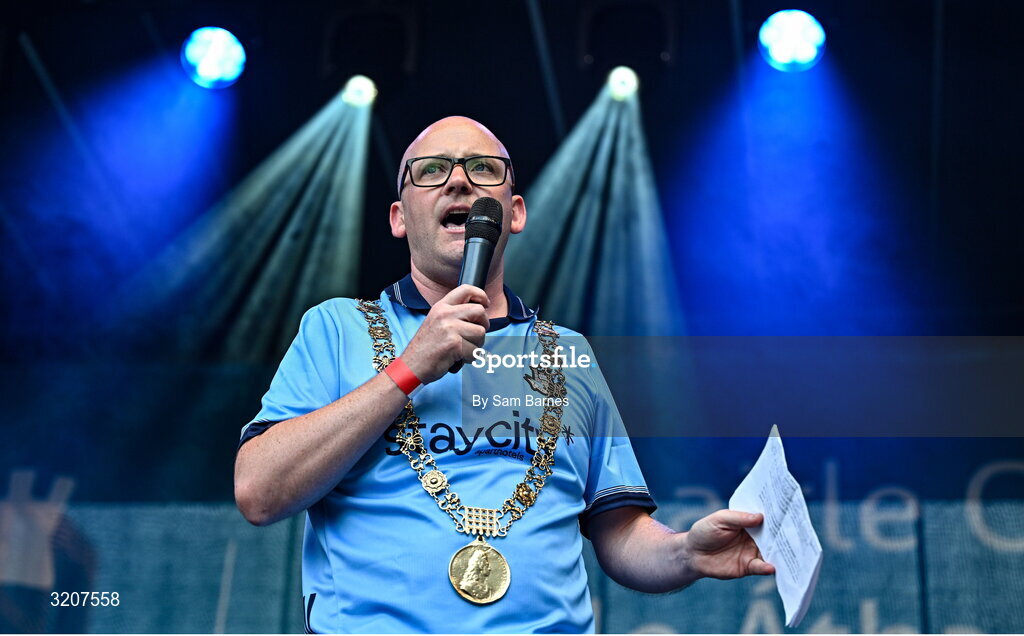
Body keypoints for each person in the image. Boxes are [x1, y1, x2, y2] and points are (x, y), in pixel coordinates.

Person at [234, 116, 774, 633]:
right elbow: (258, 491)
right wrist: (409, 368)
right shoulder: (336, 328)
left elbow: (620, 531)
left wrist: (685, 553)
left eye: (483, 168)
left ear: (514, 213)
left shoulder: (569, 354)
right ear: (399, 218)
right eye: (431, 170)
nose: (459, 181)